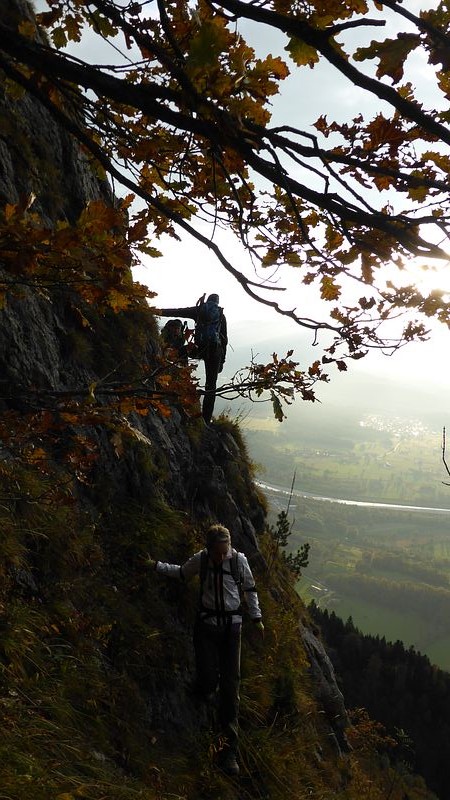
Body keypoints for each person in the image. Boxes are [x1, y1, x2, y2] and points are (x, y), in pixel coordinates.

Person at [147, 524, 264, 777]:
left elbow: (250, 589)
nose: (221, 557)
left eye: (225, 552)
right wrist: (155, 566)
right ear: (208, 548)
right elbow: (181, 573)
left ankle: (229, 752)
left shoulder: (238, 561)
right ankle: (204, 691)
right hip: (207, 628)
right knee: (209, 680)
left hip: (232, 630)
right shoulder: (201, 560)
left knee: (231, 688)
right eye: (217, 553)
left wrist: (257, 618)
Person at [157, 294, 228, 424]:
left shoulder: (199, 310)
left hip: (199, 349)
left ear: (207, 301)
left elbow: (176, 311)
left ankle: (182, 374)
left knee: (182, 351)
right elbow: (224, 340)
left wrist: (154, 311)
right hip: (215, 352)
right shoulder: (220, 315)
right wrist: (222, 361)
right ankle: (206, 420)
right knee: (211, 386)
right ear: (217, 303)